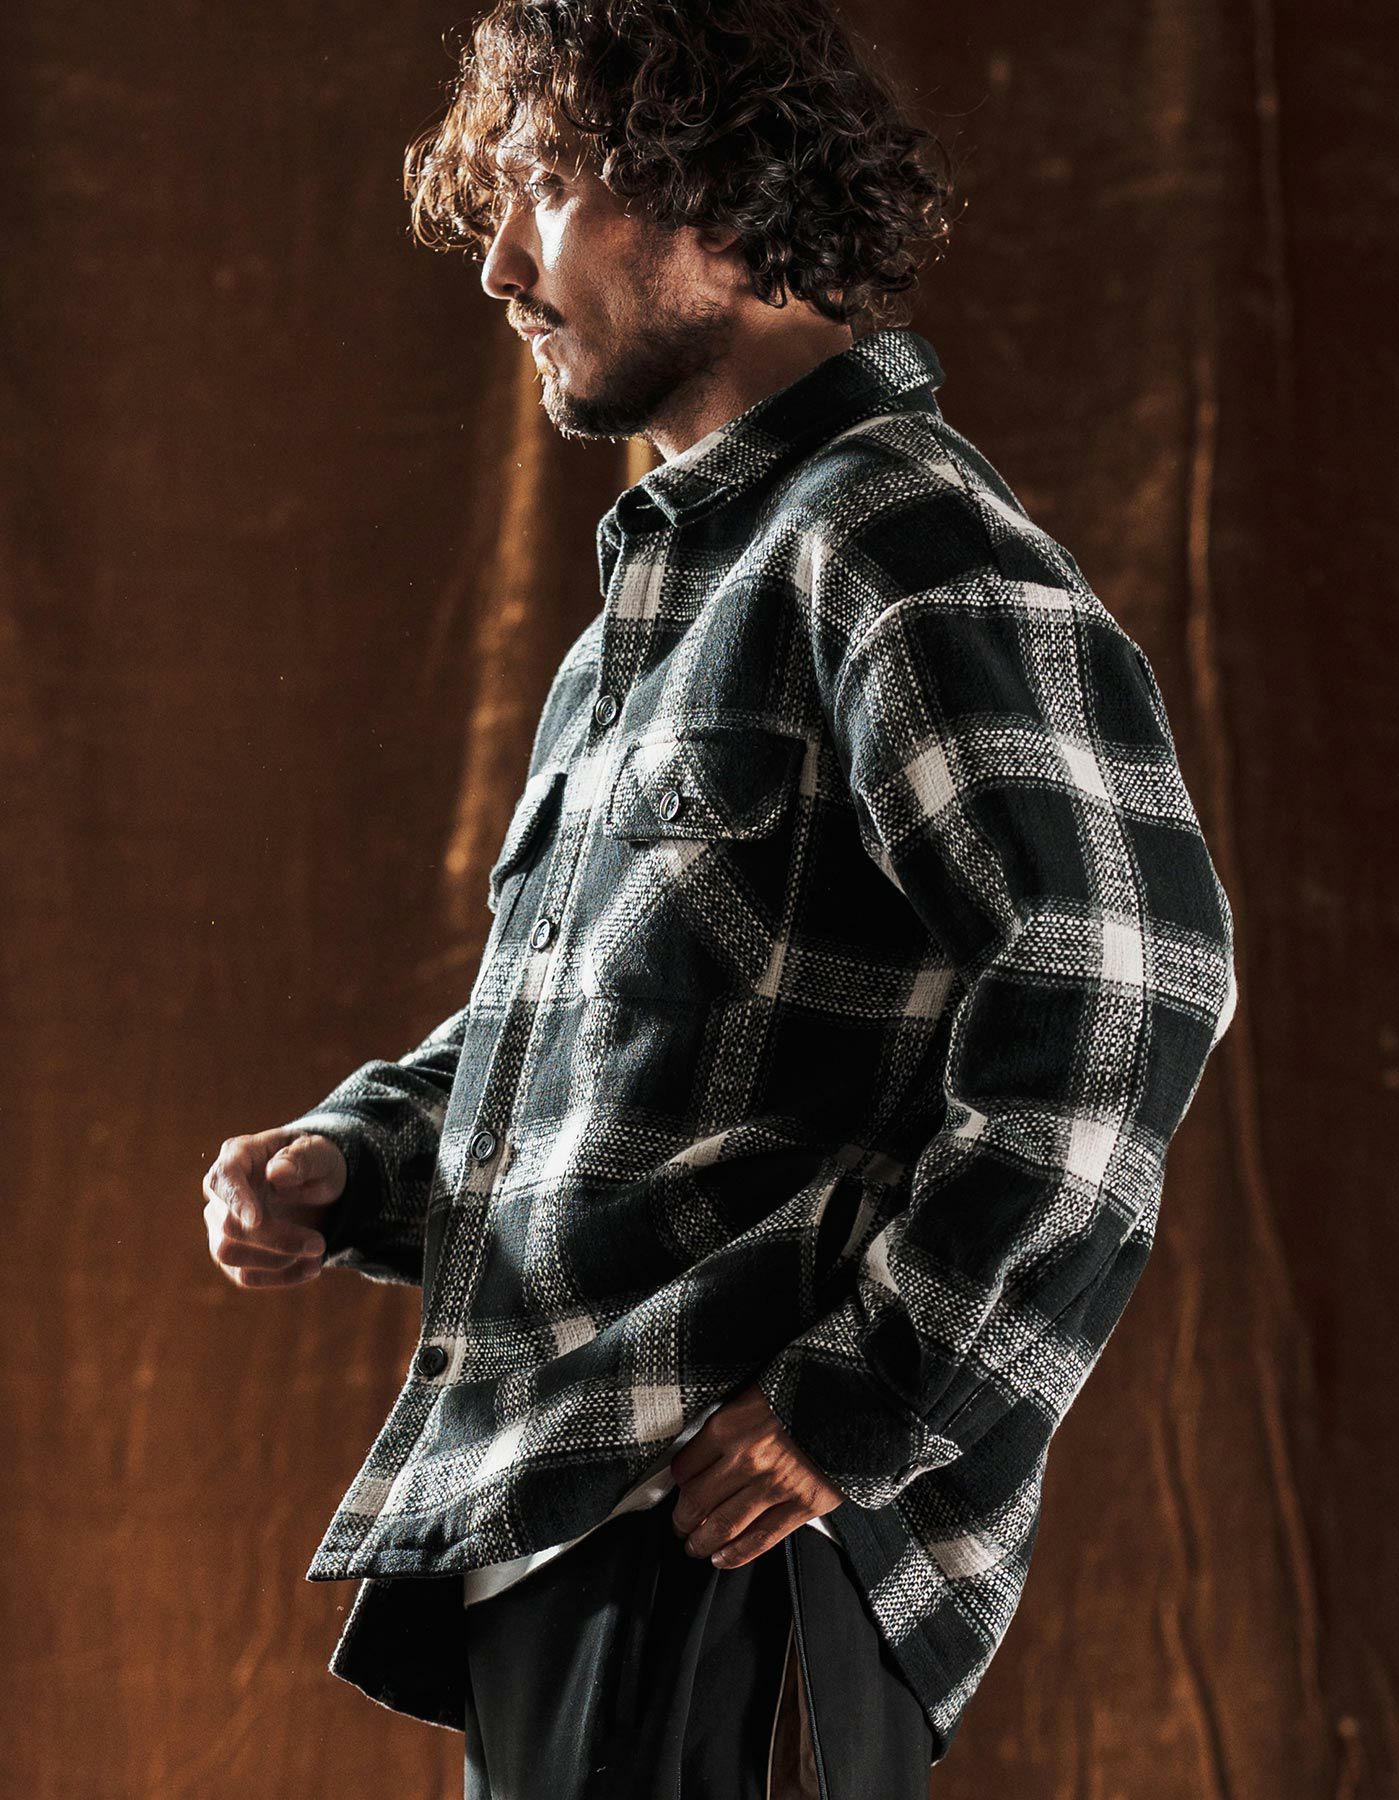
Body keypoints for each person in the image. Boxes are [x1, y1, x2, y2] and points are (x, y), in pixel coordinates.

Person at [201, 1, 1239, 1793]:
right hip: (566, 1523)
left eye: (545, 189)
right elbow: (617, 1039)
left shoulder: (894, 537)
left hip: (729, 1533)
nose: (502, 267)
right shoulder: (674, 598)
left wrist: (868, 1400)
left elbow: (1128, 978)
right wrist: (355, 1161)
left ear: (729, 196)